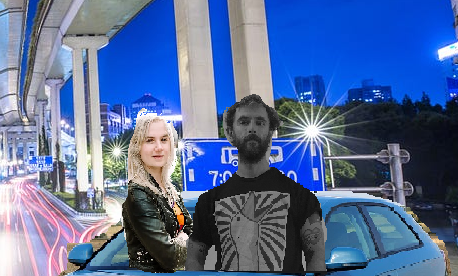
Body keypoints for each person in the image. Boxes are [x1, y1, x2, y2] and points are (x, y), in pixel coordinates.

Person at [186, 94, 326, 273]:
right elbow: (194, 257)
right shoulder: (209, 201)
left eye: (260, 123)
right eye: (244, 122)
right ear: (230, 133)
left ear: (270, 131)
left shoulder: (301, 197)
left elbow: (316, 258)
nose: (252, 128)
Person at [122, 114, 192, 272]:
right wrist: (183, 239)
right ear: (137, 148)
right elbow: (172, 259)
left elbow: (191, 230)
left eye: (164, 139)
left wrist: (182, 239)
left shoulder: (169, 189)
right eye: (150, 140)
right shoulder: (138, 195)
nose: (159, 147)